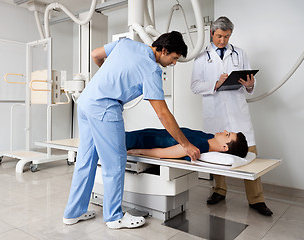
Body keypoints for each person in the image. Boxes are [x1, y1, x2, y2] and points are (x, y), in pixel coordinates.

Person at [63, 31, 201, 229]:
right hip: (105, 108)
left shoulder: (126, 44)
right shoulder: (152, 70)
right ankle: (113, 217)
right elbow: (163, 114)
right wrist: (185, 144)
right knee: (115, 162)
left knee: (86, 158)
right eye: (174, 58)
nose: (174, 63)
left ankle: (73, 213)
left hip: (86, 101)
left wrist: (109, 80)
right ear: (163, 50)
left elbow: (95, 54)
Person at [190, 16, 273, 216]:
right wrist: (216, 84)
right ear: (211, 33)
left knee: (250, 155)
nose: (223, 41)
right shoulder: (201, 57)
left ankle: (256, 199)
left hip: (238, 113)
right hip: (215, 114)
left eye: (227, 37)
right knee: (216, 155)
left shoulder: (240, 54)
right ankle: (219, 191)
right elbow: (194, 86)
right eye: (219, 36)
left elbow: (250, 83)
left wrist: (250, 85)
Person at [126, 128, 248, 159]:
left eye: (227, 135)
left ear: (225, 147)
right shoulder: (208, 137)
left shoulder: (199, 146)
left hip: (138, 142)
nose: (225, 131)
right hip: (146, 134)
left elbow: (162, 153)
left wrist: (138, 151)